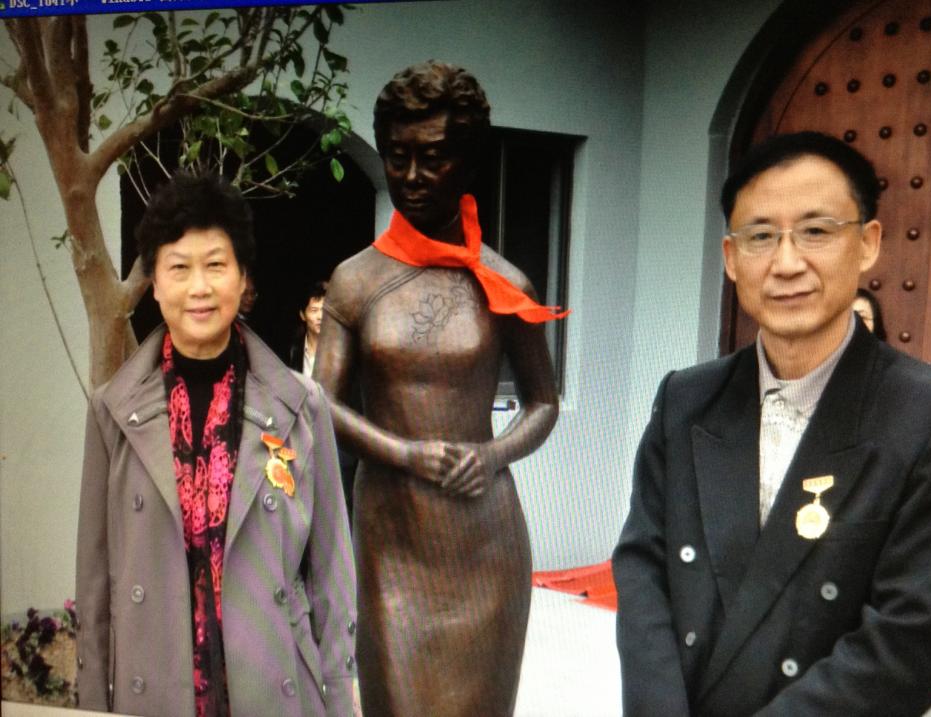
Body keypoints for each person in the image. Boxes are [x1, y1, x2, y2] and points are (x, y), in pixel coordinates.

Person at [613, 131, 931, 716]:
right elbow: (644, 568)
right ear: (731, 258)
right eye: (761, 236)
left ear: (868, 244)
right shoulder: (686, 399)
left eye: (816, 231)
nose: (787, 263)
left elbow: (909, 638)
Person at [314, 61, 564, 716]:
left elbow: (543, 402)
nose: (412, 177)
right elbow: (322, 403)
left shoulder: (503, 283)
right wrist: (406, 453)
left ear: (469, 163)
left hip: (484, 536)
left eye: (433, 159)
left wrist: (492, 453)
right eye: (397, 158)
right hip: (392, 532)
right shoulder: (355, 281)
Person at [75, 172, 356, 717]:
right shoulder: (112, 412)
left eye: (216, 265)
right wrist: (90, 705)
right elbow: (93, 587)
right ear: (155, 283)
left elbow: (331, 574)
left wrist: (341, 697)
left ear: (243, 277)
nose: (199, 287)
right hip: (153, 686)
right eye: (179, 268)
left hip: (272, 683)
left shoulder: (301, 406)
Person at [290, 281, 328, 376]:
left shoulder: (339, 350)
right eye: (314, 310)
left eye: (324, 310)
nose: (320, 316)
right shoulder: (293, 349)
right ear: (302, 315)